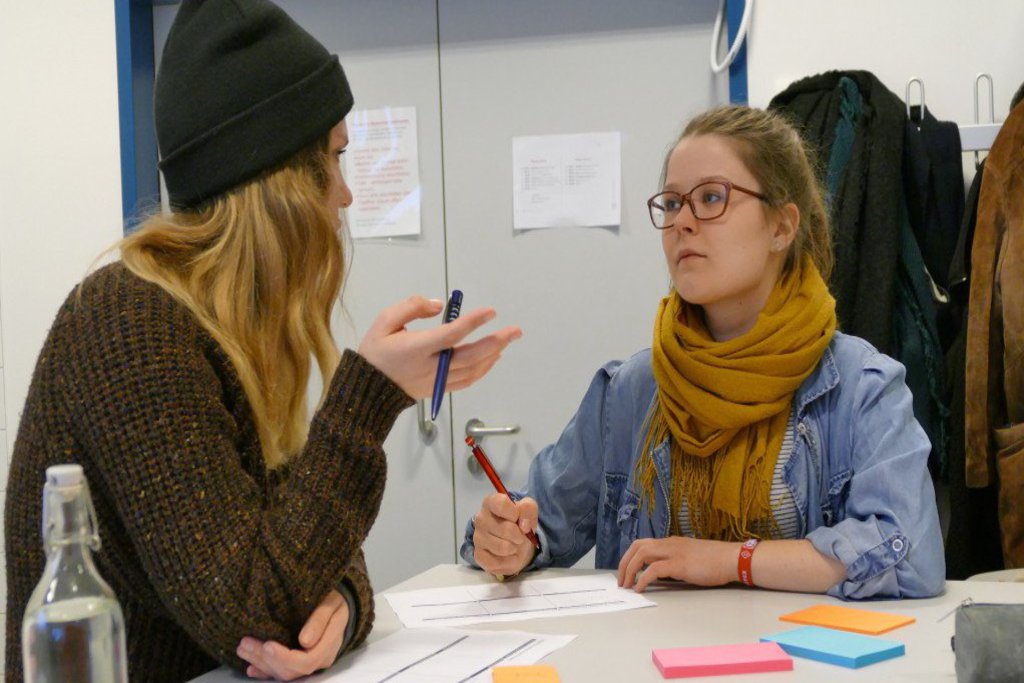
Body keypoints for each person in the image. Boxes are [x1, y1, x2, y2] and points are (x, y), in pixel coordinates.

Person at [3, 1, 520, 682]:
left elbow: (304, 549)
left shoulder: (218, 326)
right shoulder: (130, 325)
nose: (346, 194)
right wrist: (367, 397)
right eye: (333, 160)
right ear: (278, 179)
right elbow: (255, 609)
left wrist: (341, 600)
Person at [462, 105, 945, 600]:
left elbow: (908, 557)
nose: (682, 223)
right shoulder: (631, 389)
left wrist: (729, 560)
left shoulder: (862, 385)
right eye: (672, 204)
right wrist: (506, 540)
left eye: (711, 198)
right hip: (656, 665)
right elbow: (539, 525)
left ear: (781, 226)